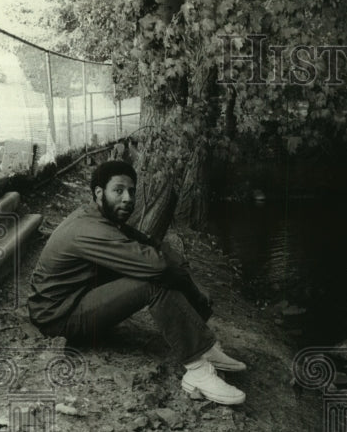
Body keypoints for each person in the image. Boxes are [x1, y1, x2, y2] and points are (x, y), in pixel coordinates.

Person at [28, 160, 247, 405]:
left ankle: (203, 346)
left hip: (74, 299)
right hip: (58, 318)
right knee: (154, 281)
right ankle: (196, 370)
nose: (127, 198)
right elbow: (157, 266)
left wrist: (185, 274)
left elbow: (148, 242)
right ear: (99, 193)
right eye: (118, 190)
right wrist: (187, 282)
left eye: (131, 191)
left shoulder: (98, 216)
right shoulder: (89, 228)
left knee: (159, 267)